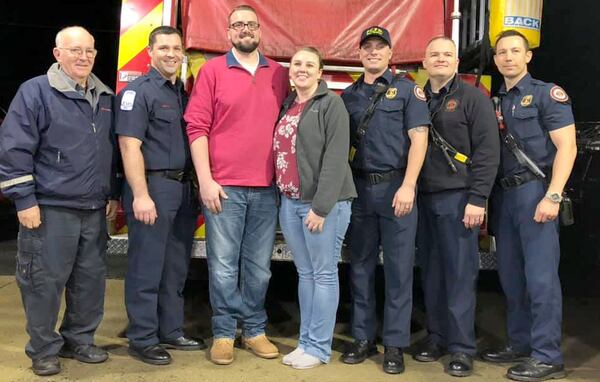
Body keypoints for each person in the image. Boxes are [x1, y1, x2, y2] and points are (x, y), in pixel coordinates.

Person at [0, 26, 119, 376]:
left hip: (94, 209)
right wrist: (24, 200)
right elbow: (14, 149)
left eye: (89, 51)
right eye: (75, 50)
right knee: (43, 283)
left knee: (90, 280)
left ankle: (80, 340)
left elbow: (109, 152)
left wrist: (111, 191)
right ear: (58, 54)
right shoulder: (36, 92)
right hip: (50, 208)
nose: (83, 57)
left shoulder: (105, 96)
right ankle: (43, 349)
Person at [184, 4, 289, 365]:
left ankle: (255, 330)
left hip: (266, 189)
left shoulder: (279, 73)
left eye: (250, 24)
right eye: (237, 25)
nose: (244, 30)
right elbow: (196, 128)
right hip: (223, 189)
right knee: (224, 265)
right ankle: (225, 333)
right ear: (228, 34)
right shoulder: (212, 71)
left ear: (260, 31)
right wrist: (206, 181)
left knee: (259, 267)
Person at [481, 30, 577, 382]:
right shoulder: (496, 99)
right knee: (511, 277)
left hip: (536, 192)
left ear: (528, 56)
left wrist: (553, 194)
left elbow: (567, 147)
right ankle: (519, 343)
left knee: (540, 280)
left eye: (515, 51)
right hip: (504, 197)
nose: (508, 57)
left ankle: (548, 355)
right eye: (502, 52)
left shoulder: (546, 94)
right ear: (495, 59)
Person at [340, 26, 430, 374]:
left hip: (397, 189)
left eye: (380, 47)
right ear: (360, 54)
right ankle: (362, 338)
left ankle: (394, 345)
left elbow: (419, 141)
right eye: (368, 47)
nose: (373, 52)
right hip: (360, 191)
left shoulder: (408, 91)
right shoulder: (348, 97)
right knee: (359, 267)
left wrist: (409, 185)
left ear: (391, 54)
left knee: (398, 271)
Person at [116, 26, 204, 366]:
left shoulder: (180, 93)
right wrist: (140, 195)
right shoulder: (138, 92)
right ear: (150, 51)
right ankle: (142, 337)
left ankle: (170, 329)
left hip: (182, 190)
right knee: (146, 266)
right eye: (164, 47)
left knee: (175, 266)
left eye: (177, 48)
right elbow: (129, 145)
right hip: (152, 187)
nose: (171, 54)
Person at [415, 36, 500, 377]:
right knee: (432, 274)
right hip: (424, 199)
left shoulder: (473, 98)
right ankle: (437, 337)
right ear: (423, 61)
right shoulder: (417, 98)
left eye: (447, 54)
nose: (440, 59)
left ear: (455, 62)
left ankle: (462, 348)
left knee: (460, 275)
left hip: (459, 199)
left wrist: (478, 198)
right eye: (433, 54)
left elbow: (488, 152)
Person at [275, 47, 356, 369]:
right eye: (296, 63)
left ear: (321, 72)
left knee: (323, 275)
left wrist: (321, 208)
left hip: (324, 206)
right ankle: (305, 342)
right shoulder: (289, 105)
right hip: (291, 202)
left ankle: (319, 347)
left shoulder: (331, 104)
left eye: (310, 64)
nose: (302, 69)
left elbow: (336, 159)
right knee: (305, 273)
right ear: (290, 70)